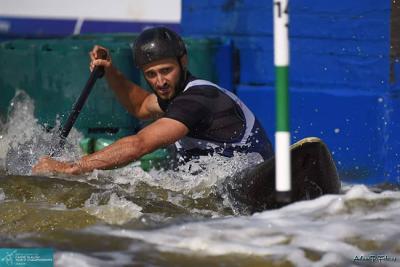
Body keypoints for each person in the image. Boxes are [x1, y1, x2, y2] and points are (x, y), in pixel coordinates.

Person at [32, 27, 273, 175]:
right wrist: (111, 71)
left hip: (252, 180)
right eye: (151, 74)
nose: (160, 82)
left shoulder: (198, 99)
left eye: (166, 70)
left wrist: (74, 167)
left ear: (184, 61)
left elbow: (139, 145)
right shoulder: (175, 94)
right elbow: (140, 106)